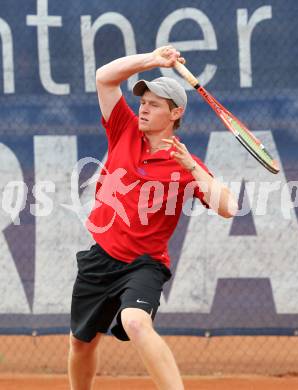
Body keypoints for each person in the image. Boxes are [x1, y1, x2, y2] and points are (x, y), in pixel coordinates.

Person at [68, 46, 238, 390]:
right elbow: (104, 77)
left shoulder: (184, 162)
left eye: (154, 104)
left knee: (135, 322)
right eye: (143, 102)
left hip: (145, 264)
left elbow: (228, 207)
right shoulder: (123, 128)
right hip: (101, 256)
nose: (143, 109)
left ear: (174, 114)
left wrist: (193, 168)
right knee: (80, 343)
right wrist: (153, 60)